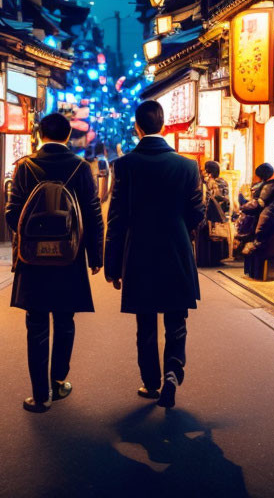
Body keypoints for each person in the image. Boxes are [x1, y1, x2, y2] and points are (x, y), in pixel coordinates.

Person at [104, 100, 205, 409]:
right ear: (163, 126)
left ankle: (151, 383)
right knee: (176, 319)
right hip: (176, 250)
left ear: (137, 127)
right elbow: (197, 213)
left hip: (139, 252)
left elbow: (117, 218)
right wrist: (179, 227)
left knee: (145, 322)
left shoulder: (124, 165)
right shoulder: (187, 166)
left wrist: (112, 265)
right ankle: (173, 371)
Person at [6, 113, 104, 413]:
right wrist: (96, 256)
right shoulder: (80, 167)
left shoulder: (25, 167)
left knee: (36, 323)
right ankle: (59, 381)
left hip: (32, 258)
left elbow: (12, 214)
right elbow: (92, 214)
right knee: (65, 320)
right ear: (68, 136)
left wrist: (31, 235)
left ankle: (40, 395)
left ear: (39, 134)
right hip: (69, 257)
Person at [240, 163, 274, 280]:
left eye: (258, 176)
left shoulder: (270, 186)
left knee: (255, 242)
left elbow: (259, 203)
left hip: (269, 226)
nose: (256, 179)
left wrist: (243, 206)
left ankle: (257, 273)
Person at [196, 161, 231, 267]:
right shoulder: (223, 182)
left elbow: (205, 200)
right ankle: (217, 259)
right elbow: (226, 200)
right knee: (217, 236)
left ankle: (206, 260)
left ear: (208, 171)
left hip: (208, 214)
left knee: (206, 236)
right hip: (219, 214)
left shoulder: (207, 183)